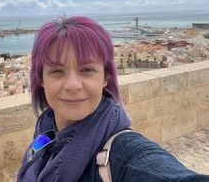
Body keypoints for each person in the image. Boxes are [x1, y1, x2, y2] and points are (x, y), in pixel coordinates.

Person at [17, 16, 209, 182]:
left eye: (87, 70)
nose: (72, 85)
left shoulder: (124, 154)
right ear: (41, 79)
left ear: (105, 78)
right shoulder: (45, 135)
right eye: (57, 71)